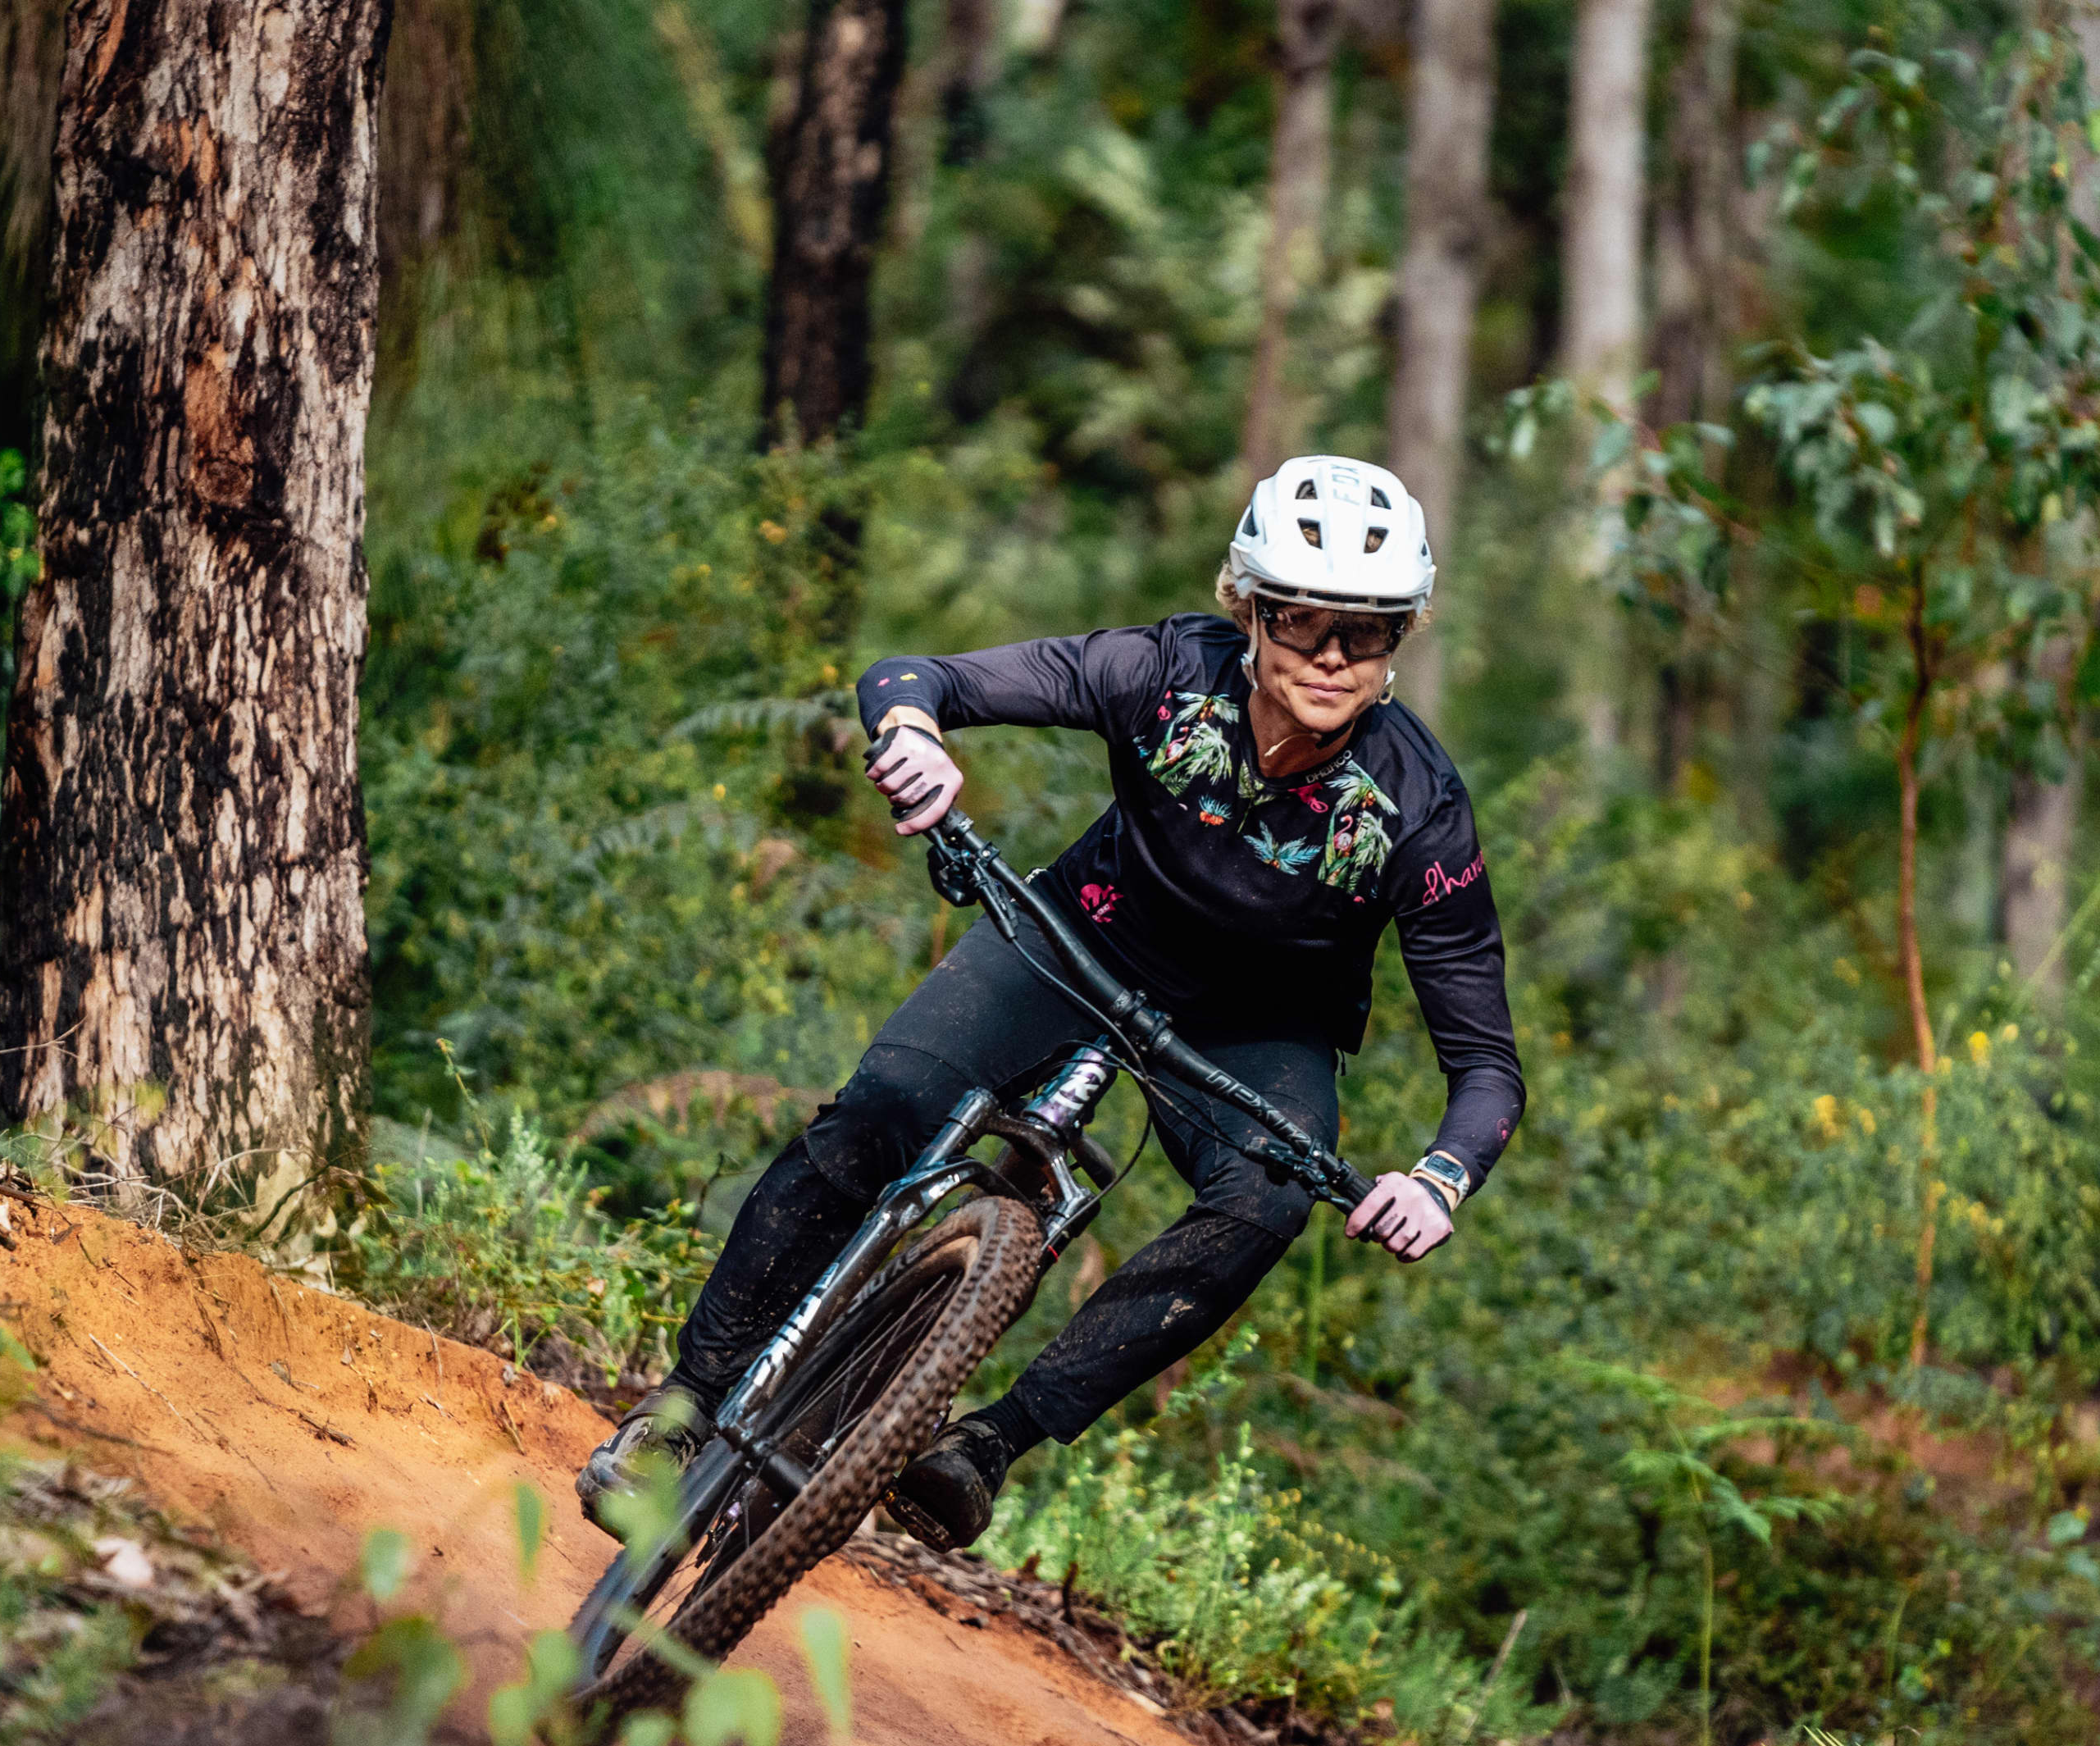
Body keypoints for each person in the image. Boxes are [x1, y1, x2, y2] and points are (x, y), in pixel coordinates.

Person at [577, 454, 1524, 1550]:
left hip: (1255, 1030)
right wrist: (915, 741)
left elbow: (1487, 1066)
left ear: (1399, 639)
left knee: (1266, 1203)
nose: (1332, 654)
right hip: (1080, 933)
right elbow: (911, 676)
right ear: (1251, 609)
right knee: (883, 1106)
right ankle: (683, 1412)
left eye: (1367, 630)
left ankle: (983, 1447)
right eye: (1306, 619)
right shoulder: (1165, 672)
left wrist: (1442, 1179)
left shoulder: (1420, 807)